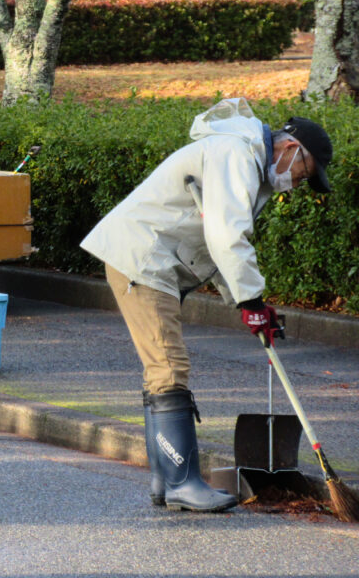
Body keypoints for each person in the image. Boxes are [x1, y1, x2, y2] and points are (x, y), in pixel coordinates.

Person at [80, 98, 332, 513]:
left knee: (161, 370)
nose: (299, 183)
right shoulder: (235, 153)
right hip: (144, 260)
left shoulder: (243, 158)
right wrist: (250, 300)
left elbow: (215, 247)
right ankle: (182, 483)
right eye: (305, 173)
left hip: (150, 260)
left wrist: (249, 302)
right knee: (169, 367)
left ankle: (166, 481)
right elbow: (226, 236)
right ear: (290, 149)